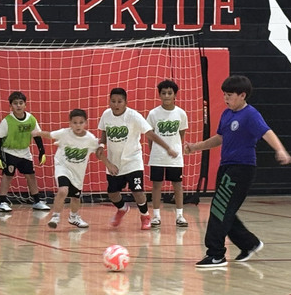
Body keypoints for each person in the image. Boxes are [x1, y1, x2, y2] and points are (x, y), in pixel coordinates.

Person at [184, 75, 291, 268]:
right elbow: (219, 138)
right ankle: (249, 243)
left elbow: (267, 132)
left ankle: (216, 254)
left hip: (241, 168)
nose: (226, 99)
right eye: (224, 95)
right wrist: (196, 147)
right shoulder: (227, 114)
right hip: (226, 167)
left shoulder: (250, 114)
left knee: (219, 210)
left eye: (230, 95)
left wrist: (280, 149)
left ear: (242, 95)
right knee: (225, 210)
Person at [98, 87, 178, 230]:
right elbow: (104, 133)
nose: (116, 104)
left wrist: (168, 148)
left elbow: (151, 134)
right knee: (112, 194)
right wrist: (102, 147)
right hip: (114, 162)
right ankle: (122, 209)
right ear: (109, 102)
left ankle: (145, 215)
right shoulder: (106, 115)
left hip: (133, 161)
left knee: (138, 191)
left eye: (119, 101)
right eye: (113, 101)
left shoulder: (134, 116)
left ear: (126, 102)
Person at [32, 109, 104, 229]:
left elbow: (99, 147)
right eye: (75, 123)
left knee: (76, 197)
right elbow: (50, 135)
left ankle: (74, 217)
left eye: (81, 122)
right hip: (63, 166)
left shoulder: (90, 139)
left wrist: (103, 149)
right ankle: (55, 216)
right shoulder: (64, 133)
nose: (78, 125)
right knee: (63, 190)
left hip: (78, 172)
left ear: (86, 123)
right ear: (70, 123)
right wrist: (37, 133)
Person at [0, 91, 51, 212]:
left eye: (21, 103)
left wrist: (42, 151)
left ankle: (37, 201)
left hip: (25, 151)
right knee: (8, 175)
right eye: (15, 103)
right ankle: (2, 202)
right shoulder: (7, 121)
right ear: (11, 106)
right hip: (9, 151)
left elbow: (37, 135)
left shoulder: (31, 119)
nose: (18, 106)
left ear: (25, 105)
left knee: (31, 175)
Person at [146, 79, 189, 228]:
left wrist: (176, 147)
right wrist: (155, 151)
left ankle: (180, 216)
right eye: (163, 93)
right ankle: (156, 216)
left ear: (175, 95)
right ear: (159, 95)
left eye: (169, 93)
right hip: (157, 157)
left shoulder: (181, 114)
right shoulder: (153, 114)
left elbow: (181, 134)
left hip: (175, 158)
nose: (166, 96)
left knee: (177, 185)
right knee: (157, 185)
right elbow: (150, 136)